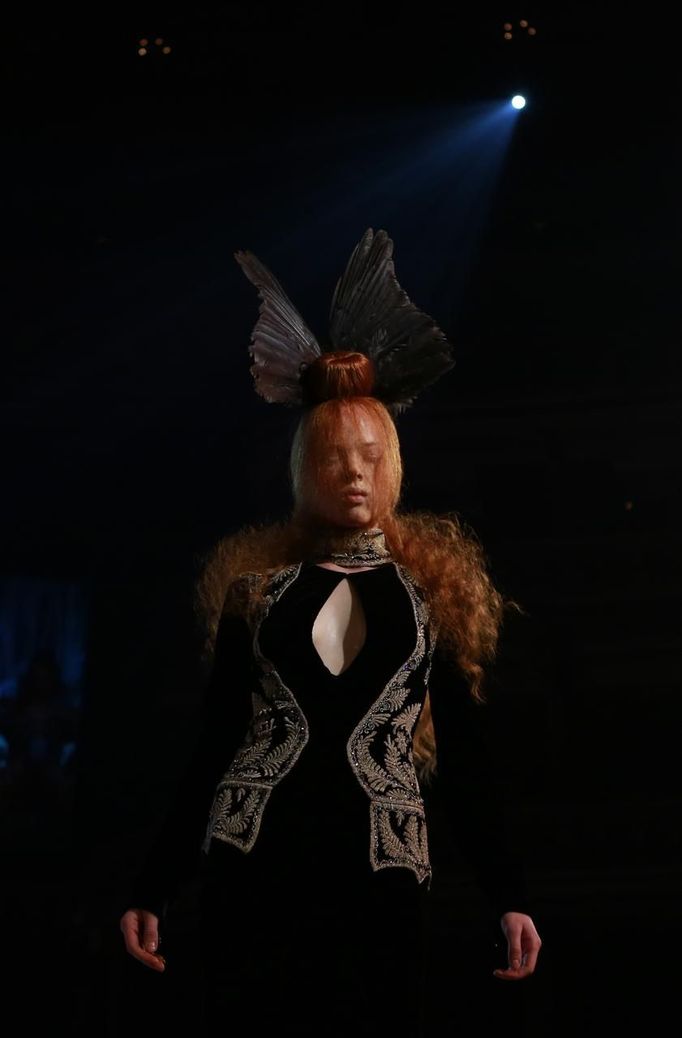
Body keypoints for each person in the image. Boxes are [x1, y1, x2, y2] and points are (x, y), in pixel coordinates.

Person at [119, 229, 542, 1035]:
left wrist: (509, 896)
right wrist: (154, 884)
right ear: (308, 467)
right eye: (337, 456)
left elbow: (468, 758)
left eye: (370, 456)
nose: (354, 472)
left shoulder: (429, 599)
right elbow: (213, 744)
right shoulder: (256, 596)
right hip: (254, 859)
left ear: (393, 466)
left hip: (382, 864)